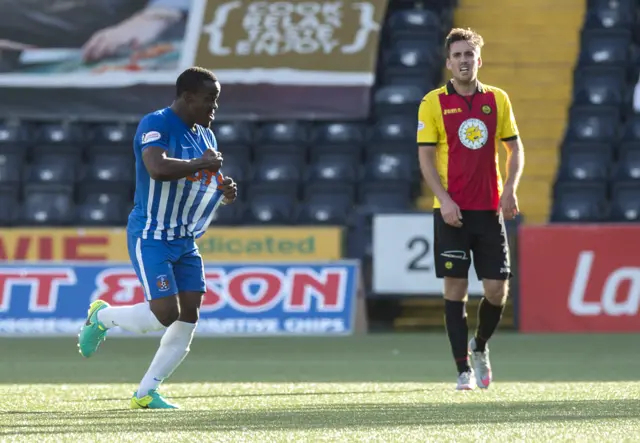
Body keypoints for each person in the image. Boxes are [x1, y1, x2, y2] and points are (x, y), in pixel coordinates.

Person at [77, 66, 238, 409]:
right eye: (210, 100)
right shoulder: (157, 123)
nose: (214, 108)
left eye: (217, 101)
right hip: (151, 232)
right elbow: (157, 168)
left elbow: (202, 181)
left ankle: (146, 393)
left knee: (189, 314)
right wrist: (199, 164)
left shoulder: (206, 137)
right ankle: (102, 317)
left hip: (183, 238)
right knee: (164, 314)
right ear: (187, 96)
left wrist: (223, 191)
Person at [416, 28, 524, 390]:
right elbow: (426, 159)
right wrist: (444, 200)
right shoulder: (432, 102)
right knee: (455, 287)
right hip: (452, 212)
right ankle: (462, 368)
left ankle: (480, 347)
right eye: (457, 55)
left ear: (480, 60)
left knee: (497, 290)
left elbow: (515, 149)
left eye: (469, 55)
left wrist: (509, 189)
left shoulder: (498, 99)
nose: (464, 61)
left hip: (489, 209)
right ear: (448, 62)